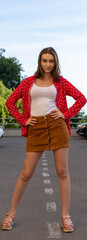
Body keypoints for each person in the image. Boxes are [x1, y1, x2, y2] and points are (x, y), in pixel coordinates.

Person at [1, 47, 86, 233]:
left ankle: (65, 216)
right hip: (36, 128)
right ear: (39, 62)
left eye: (51, 61)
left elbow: (81, 98)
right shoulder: (28, 83)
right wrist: (23, 120)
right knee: (26, 173)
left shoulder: (61, 82)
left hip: (57, 126)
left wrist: (65, 114)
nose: (48, 64)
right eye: (45, 60)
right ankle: (11, 213)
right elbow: (10, 102)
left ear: (55, 63)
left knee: (62, 172)